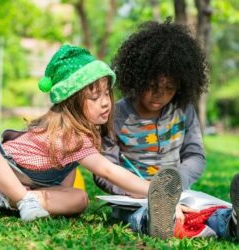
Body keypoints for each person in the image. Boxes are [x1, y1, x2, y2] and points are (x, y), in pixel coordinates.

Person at [0, 45, 179, 223]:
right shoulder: (70, 135)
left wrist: (139, 190)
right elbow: (108, 170)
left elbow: (64, 187)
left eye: (106, 93)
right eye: (95, 97)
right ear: (72, 102)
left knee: (79, 198)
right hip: (0, 170)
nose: (105, 102)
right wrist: (154, 190)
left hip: (27, 185)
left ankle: (7, 197)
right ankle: (18, 197)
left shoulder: (80, 135)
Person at [93, 20, 239, 241]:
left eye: (169, 88)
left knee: (206, 213)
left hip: (181, 194)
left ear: (181, 85)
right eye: (151, 87)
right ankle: (157, 220)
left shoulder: (184, 110)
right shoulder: (116, 115)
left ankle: (232, 223)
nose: (159, 95)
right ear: (137, 77)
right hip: (135, 200)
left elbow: (195, 155)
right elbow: (104, 170)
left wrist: (174, 183)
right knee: (142, 215)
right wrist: (133, 189)